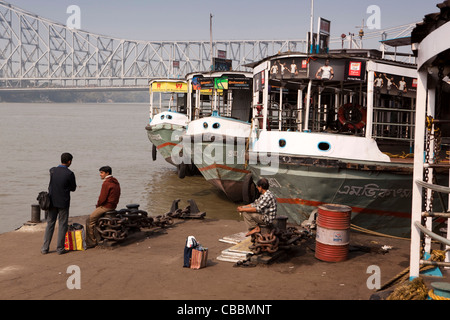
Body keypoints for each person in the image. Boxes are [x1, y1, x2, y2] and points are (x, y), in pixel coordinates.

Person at [41, 153, 77, 255]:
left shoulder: (52, 170)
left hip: (51, 202)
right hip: (63, 202)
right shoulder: (69, 174)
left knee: (50, 224)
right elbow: (73, 188)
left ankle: (44, 248)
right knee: (62, 225)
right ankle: (60, 248)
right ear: (69, 161)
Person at [85, 166, 121, 247]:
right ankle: (96, 238)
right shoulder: (115, 182)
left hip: (106, 206)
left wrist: (98, 206)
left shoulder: (106, 183)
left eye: (102, 173)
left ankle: (91, 242)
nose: (100, 174)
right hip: (113, 205)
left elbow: (102, 198)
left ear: (107, 173)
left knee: (89, 220)